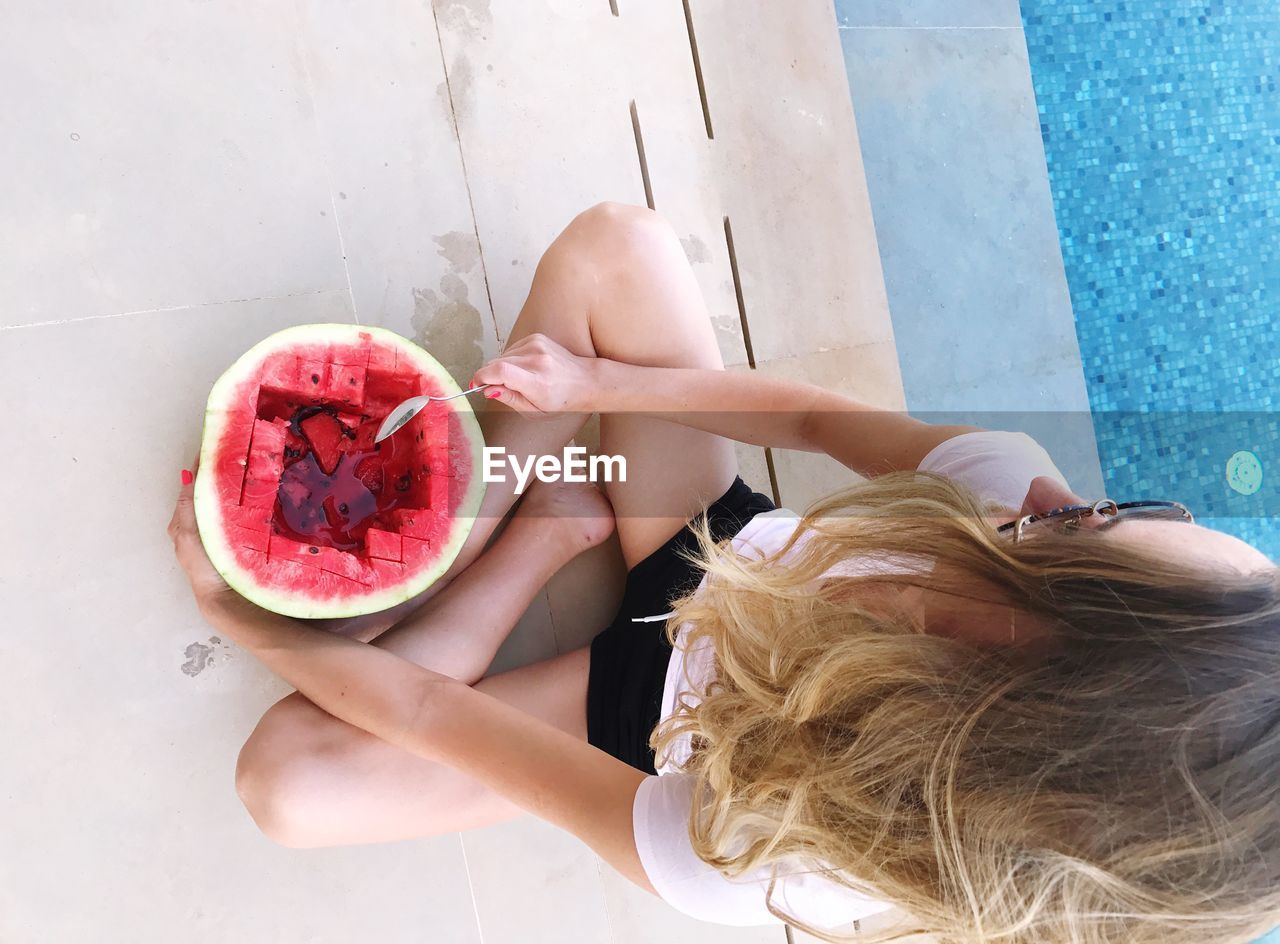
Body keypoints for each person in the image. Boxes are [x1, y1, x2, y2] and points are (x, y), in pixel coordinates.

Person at [169, 203, 1280, 943]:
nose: (1048, 502)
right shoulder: (1004, 502)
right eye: (1114, 508)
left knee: (291, 782)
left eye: (1068, 542)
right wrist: (591, 379)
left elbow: (419, 706)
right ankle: (482, 510)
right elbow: (809, 415)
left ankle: (548, 536)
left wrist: (240, 616)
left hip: (651, 728)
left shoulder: (770, 855)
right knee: (618, 246)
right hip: (713, 551)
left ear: (1006, 666)